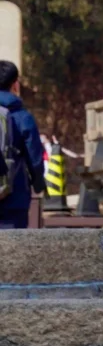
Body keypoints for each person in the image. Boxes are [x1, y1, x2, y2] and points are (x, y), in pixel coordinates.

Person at [0, 61, 46, 230]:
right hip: (14, 194)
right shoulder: (21, 116)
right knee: (12, 250)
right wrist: (38, 182)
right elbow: (34, 155)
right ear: (15, 84)